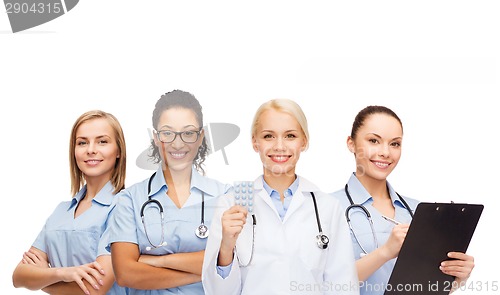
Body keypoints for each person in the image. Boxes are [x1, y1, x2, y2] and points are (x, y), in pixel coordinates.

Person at [202, 99, 359, 295]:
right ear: (255, 142)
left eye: (290, 136)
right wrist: (226, 246)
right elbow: (217, 292)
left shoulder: (328, 208)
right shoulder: (230, 204)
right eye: (268, 136)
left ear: (304, 141)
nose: (279, 146)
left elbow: (343, 287)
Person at [331, 105, 475, 294]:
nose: (385, 152)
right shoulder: (326, 208)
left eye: (395, 143)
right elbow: (322, 284)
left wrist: (455, 278)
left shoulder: (418, 211)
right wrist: (385, 252)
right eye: (374, 140)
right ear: (351, 143)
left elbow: (425, 286)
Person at [108, 90, 230, 295]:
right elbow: (126, 274)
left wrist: (158, 261)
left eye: (188, 133)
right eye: (167, 133)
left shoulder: (225, 196)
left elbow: (231, 261)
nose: (178, 143)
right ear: (155, 137)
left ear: (201, 137)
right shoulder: (129, 200)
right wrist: (205, 270)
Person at [12, 110, 128, 295]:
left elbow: (95, 287)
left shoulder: (124, 208)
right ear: (74, 151)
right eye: (82, 142)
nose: (91, 149)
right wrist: (63, 273)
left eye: (102, 141)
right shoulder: (61, 211)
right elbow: (18, 277)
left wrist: (43, 280)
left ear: (119, 151)